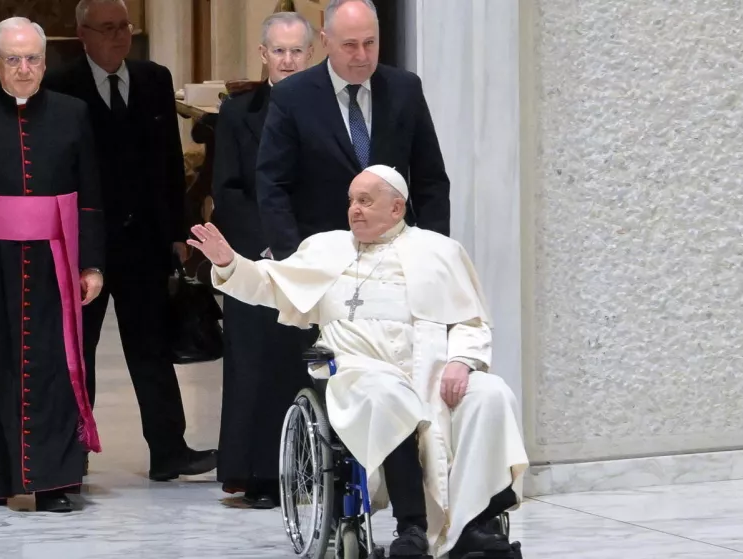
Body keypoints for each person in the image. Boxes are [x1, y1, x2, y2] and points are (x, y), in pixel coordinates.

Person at [188, 166, 529, 558]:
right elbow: (270, 284)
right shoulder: (326, 249)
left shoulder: (440, 251)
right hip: (360, 373)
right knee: (388, 397)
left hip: (432, 369)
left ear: (397, 207)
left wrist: (462, 361)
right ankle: (412, 526)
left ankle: (476, 524)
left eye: (365, 201)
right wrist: (229, 262)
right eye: (351, 201)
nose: (354, 210)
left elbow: (470, 320)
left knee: (490, 394)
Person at [0, 17, 104, 513]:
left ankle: (52, 483)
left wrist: (91, 263)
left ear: (45, 63)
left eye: (32, 59)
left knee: (53, 368)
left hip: (54, 260)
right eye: (13, 59)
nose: (24, 69)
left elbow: (90, 196)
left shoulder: (72, 114)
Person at [44, 0, 217, 481]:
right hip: (85, 246)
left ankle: (169, 451)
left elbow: (168, 162)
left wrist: (179, 233)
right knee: (79, 351)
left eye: (124, 27)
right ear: (82, 34)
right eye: (107, 29)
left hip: (144, 240)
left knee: (152, 348)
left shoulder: (153, 79)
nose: (119, 37)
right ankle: (71, 456)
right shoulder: (61, 86)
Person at [211, 11, 315, 508]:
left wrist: (302, 246)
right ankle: (255, 473)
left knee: (303, 365)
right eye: (279, 51)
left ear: (311, 54)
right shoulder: (238, 113)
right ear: (263, 54)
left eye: (297, 51)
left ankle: (311, 470)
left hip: (312, 258)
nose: (289, 60)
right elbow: (227, 190)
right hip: (255, 258)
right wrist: (266, 248)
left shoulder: (328, 108)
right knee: (252, 365)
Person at [255, 0, 450, 261]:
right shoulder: (292, 97)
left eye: (370, 43)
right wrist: (293, 261)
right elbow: (273, 186)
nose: (362, 55)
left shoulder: (405, 90)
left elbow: (431, 180)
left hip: (396, 256)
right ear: (325, 41)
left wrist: (433, 253)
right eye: (350, 45)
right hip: (319, 256)